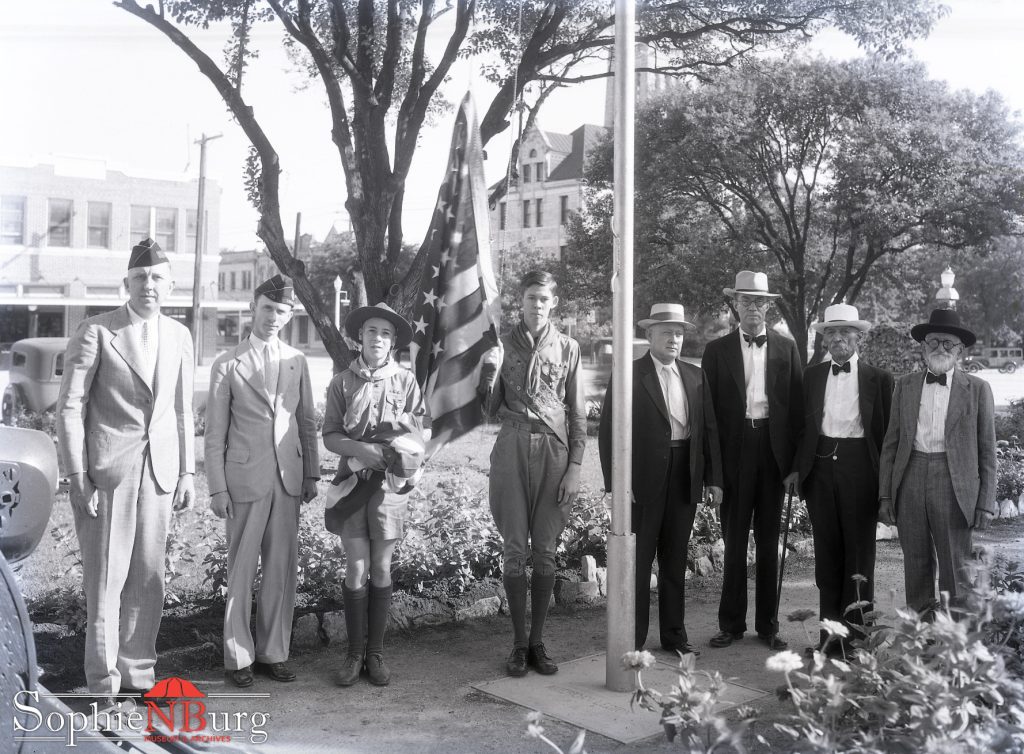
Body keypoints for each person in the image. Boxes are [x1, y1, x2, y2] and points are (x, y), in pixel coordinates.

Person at [55, 238, 195, 703]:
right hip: (107, 475)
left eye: (157, 278)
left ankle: (138, 676)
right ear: (126, 284)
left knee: (148, 577)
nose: (148, 285)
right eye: (140, 278)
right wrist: (77, 475)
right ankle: (103, 686)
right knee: (107, 580)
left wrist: (188, 473)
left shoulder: (179, 336)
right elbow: (70, 407)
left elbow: (181, 411)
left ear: (170, 285)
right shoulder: (97, 330)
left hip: (160, 473)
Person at [204, 275, 320, 688]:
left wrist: (312, 472)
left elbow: (306, 421)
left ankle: (274, 652)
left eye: (282, 311)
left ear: (290, 316)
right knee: (240, 571)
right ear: (254, 308)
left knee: (280, 569)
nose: (273, 317)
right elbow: (214, 434)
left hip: (288, 479)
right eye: (267, 308)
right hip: (243, 480)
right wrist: (216, 487)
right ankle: (238, 658)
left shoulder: (296, 360)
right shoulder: (228, 363)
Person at [598, 303, 723, 656]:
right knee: (638, 563)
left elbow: (709, 431)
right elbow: (608, 432)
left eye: (679, 333)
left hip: (685, 475)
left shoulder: (696, 376)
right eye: (666, 331)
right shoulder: (629, 374)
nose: (674, 339)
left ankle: (674, 637)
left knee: (674, 561)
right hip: (642, 481)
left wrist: (713, 479)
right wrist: (617, 485)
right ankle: (632, 639)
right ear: (649, 334)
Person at [479, 269, 586, 677]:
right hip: (511, 447)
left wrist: (575, 467)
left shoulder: (569, 348)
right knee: (513, 549)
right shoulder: (501, 346)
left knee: (545, 549)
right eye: (530, 298)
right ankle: (518, 643)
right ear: (519, 302)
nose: (537, 304)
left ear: (553, 302)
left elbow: (577, 413)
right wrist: (488, 370)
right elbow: (487, 410)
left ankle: (538, 641)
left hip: (554, 454)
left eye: (544, 298)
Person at [322, 302, 428, 687]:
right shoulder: (342, 382)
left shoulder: (406, 381)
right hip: (352, 482)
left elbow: (421, 430)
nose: (378, 339)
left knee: (381, 568)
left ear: (393, 340)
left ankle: (376, 653)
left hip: (389, 488)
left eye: (385, 333)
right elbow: (330, 434)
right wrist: (361, 450)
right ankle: (353, 654)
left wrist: (405, 453)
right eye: (371, 332)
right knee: (356, 568)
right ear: (359, 337)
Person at [702, 270, 802, 651]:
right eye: (746, 302)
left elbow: (795, 411)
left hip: (773, 454)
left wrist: (793, 465)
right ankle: (731, 623)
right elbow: (708, 418)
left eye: (760, 302)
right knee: (733, 541)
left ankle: (768, 625)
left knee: (768, 541)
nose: (754, 308)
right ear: (736, 305)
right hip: (734, 453)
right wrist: (713, 472)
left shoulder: (786, 348)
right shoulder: (716, 351)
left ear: (768, 306)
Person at [878, 308, 996, 616]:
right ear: (922, 346)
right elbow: (891, 444)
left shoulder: (978, 390)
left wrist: (985, 502)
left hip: (954, 480)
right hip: (911, 476)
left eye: (947, 343)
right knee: (915, 561)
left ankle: (956, 640)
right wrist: (886, 495)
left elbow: (987, 450)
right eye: (933, 341)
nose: (939, 348)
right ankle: (921, 636)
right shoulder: (904, 385)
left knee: (956, 564)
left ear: (959, 350)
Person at [795, 304, 893, 654]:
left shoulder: (878, 379)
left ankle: (858, 642)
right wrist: (797, 469)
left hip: (860, 470)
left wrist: (886, 487)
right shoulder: (812, 375)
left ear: (858, 336)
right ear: (824, 338)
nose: (838, 338)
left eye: (845, 332)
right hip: (820, 468)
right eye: (831, 333)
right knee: (827, 558)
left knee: (859, 558)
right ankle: (828, 640)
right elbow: (802, 427)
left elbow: (885, 436)